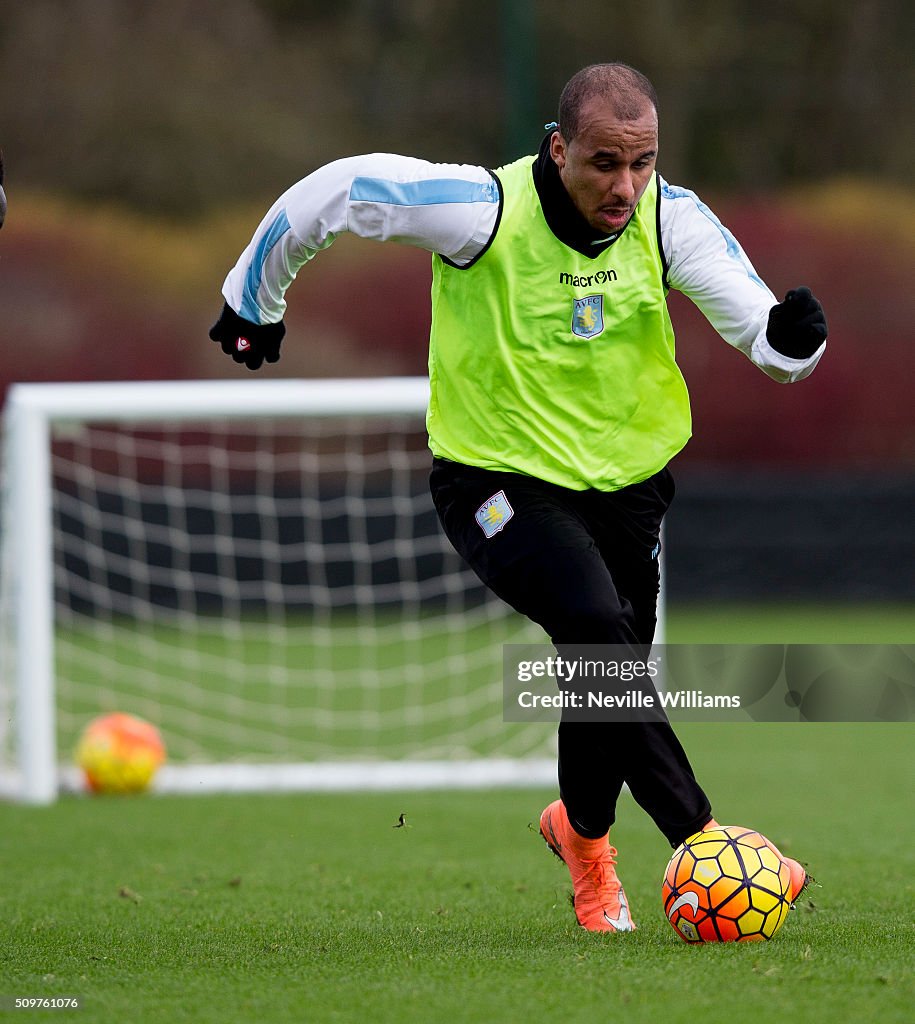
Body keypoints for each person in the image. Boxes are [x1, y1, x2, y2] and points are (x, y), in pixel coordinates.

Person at [210, 63, 824, 933]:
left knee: (604, 676)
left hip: (628, 488)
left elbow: (763, 333)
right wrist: (253, 299)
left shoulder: (668, 217)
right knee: (589, 625)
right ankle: (711, 842)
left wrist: (791, 339)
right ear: (557, 146)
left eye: (641, 163)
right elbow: (338, 190)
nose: (624, 186)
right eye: (603, 163)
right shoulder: (478, 212)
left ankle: (579, 838)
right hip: (496, 482)